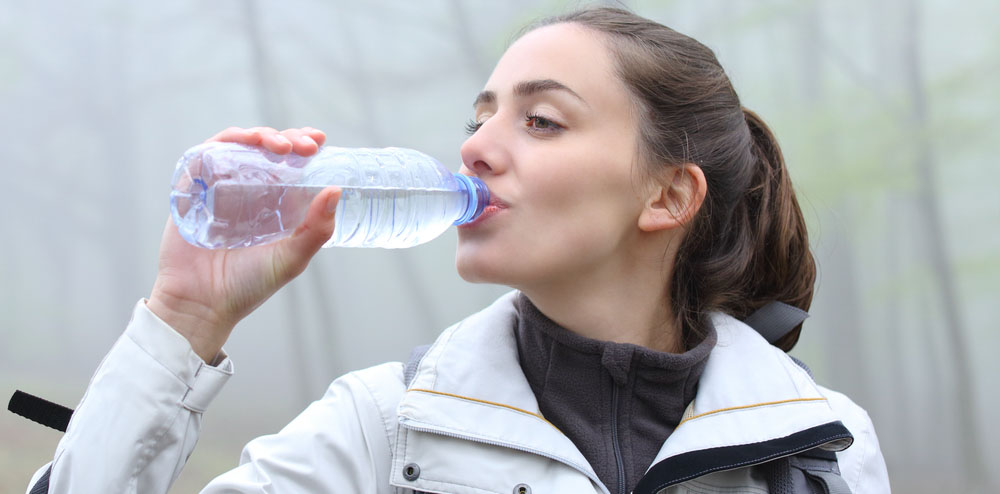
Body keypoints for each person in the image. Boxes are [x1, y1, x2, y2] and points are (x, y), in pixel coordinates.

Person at [25, 7, 890, 494]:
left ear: (667, 196)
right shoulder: (382, 430)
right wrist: (185, 315)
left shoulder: (825, 448)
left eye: (540, 120)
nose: (475, 147)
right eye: (478, 118)